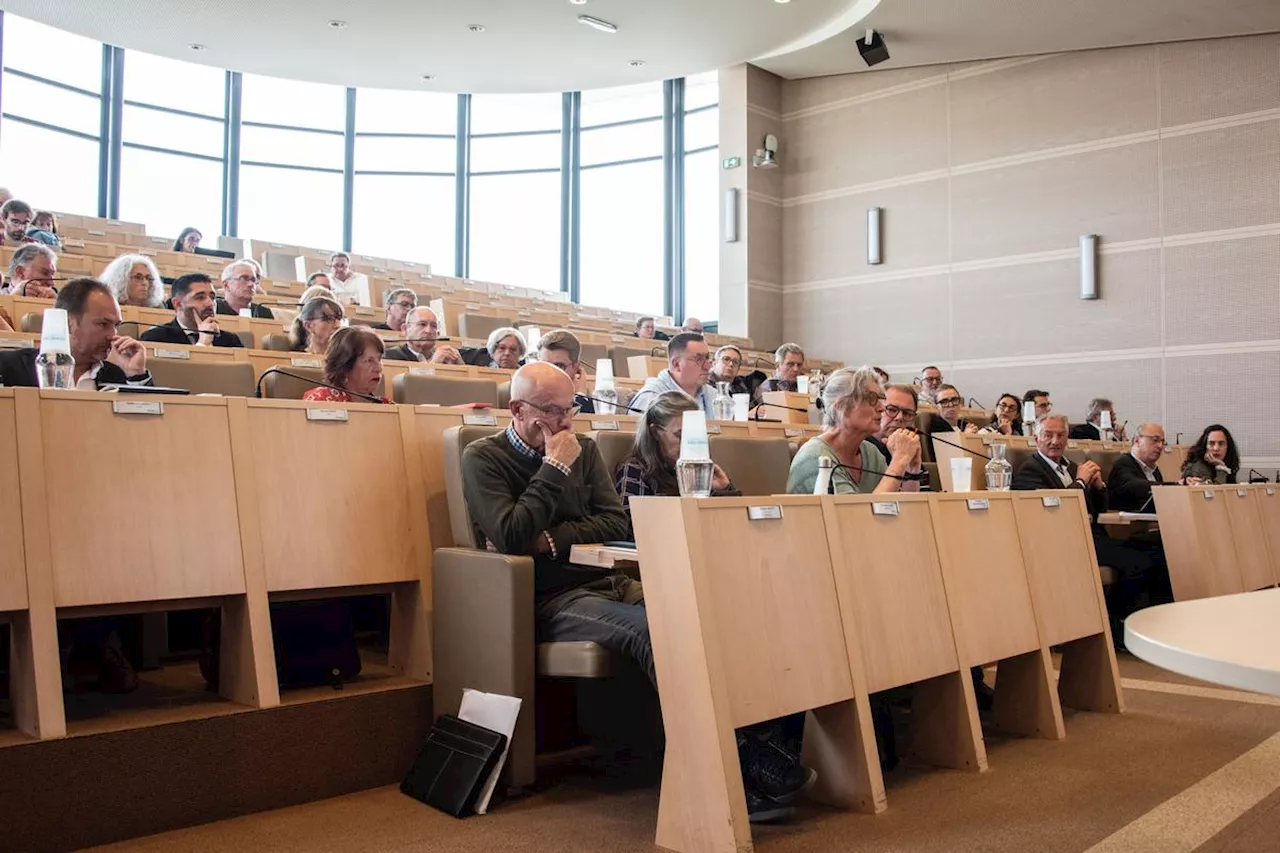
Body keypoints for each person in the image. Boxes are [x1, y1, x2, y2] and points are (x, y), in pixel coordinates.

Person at [462, 363, 811, 822]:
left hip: (612, 582)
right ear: (517, 409)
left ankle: (753, 746)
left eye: (570, 410)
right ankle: (726, 770)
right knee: (657, 631)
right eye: (552, 412)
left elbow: (615, 520)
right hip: (552, 598)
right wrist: (552, 468)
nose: (565, 423)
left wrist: (551, 537)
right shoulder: (483, 457)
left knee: (710, 613)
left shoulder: (583, 450)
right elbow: (510, 534)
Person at [1012, 414, 1169, 638]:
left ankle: (1146, 625)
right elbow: (1056, 508)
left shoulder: (1071, 466)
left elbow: (1098, 512)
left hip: (1090, 536)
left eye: (1061, 435)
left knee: (1156, 555)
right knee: (1138, 563)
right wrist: (1081, 482)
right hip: (1060, 542)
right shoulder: (1031, 469)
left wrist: (1098, 487)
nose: (1055, 441)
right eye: (1048, 435)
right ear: (1037, 438)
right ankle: (1117, 626)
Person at [787, 366, 922, 495]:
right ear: (841, 406)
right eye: (872, 399)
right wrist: (898, 461)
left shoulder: (871, 453)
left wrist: (912, 468)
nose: (882, 408)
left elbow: (901, 508)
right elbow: (854, 517)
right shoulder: (816, 458)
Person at [0, 278, 152, 390]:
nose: (112, 335)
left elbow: (147, 430)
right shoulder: (10, 368)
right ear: (68, 323)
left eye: (116, 326)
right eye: (103, 324)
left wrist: (136, 374)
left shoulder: (118, 376)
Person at [614, 392, 736, 524]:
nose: (688, 443)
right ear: (655, 432)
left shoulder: (700, 471)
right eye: (680, 435)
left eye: (694, 435)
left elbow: (730, 524)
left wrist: (725, 490)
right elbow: (631, 526)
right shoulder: (635, 470)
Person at [139, 273, 244, 348]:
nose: (210, 303)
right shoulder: (155, 338)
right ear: (178, 304)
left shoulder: (231, 341)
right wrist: (202, 345)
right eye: (200, 297)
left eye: (212, 297)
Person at [628, 332, 716, 418]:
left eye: (707, 358)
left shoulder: (714, 396)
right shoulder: (651, 398)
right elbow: (637, 432)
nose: (707, 366)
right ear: (677, 364)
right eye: (699, 359)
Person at [302, 326, 389, 404]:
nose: (379, 368)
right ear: (345, 367)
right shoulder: (321, 400)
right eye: (369, 361)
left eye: (379, 359)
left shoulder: (386, 407)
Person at [866, 384, 927, 492]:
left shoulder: (908, 446)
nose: (899, 418)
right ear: (878, 409)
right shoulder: (862, 449)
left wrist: (912, 470)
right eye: (892, 410)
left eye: (907, 413)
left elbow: (918, 503)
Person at [1109, 423, 1168, 512]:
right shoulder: (1123, 463)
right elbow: (1134, 486)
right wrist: (1172, 486)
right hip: (1128, 523)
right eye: (1155, 440)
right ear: (1137, 440)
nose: (1160, 446)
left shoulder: (1155, 470)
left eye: (1163, 442)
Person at [537, 328, 595, 413]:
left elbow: (580, 423)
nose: (550, 374)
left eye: (559, 366)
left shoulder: (593, 402)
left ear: (576, 368)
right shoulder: (528, 394)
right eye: (545, 366)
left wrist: (580, 396)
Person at [383, 307, 458, 363]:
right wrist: (434, 364)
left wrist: (461, 366)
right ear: (405, 329)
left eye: (434, 326)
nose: (428, 331)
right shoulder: (389, 357)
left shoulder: (446, 357)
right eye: (422, 324)